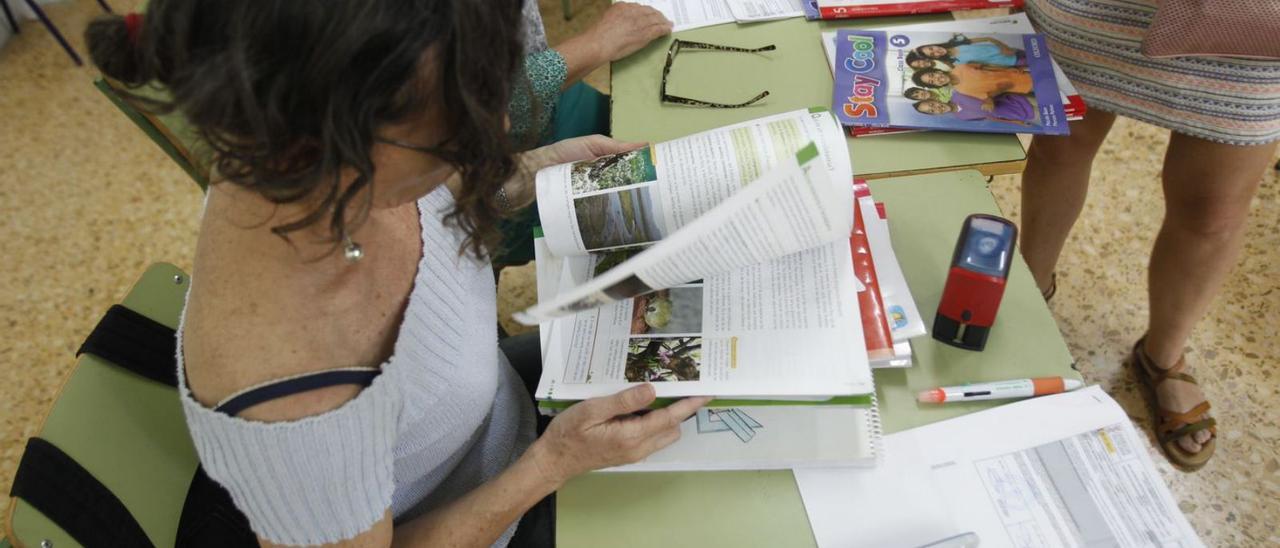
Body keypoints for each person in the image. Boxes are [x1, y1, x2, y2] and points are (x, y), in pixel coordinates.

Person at [85, 2, 705, 547]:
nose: (503, 128)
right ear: (337, 137)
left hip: (506, 424)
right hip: (504, 503)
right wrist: (551, 465)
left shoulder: (323, 162)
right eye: (459, 120)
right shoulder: (292, 387)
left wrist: (542, 167)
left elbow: (438, 200)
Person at [1024, 0, 1280, 470]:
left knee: (1214, 211)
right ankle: (1029, 296)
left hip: (1255, 27)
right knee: (1059, 148)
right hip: (1104, 11)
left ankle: (1164, 355)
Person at [913, 65, 1033, 99]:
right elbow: (987, 95)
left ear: (937, 71)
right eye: (932, 82)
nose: (937, 79)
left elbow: (986, 67)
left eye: (932, 75)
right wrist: (1002, 89)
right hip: (1021, 88)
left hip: (1020, 73)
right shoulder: (961, 91)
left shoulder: (960, 67)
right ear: (936, 86)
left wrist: (1010, 68)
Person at [912, 94, 1033, 126]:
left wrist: (990, 99)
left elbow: (990, 90)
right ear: (936, 115)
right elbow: (990, 117)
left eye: (932, 104)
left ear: (936, 100)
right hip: (1022, 116)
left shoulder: (959, 93)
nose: (936, 108)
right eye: (932, 111)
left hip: (1021, 101)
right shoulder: (962, 117)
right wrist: (1015, 122)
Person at [913, 34, 1025, 67]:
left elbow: (988, 38)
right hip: (1009, 62)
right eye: (933, 54)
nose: (937, 51)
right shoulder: (956, 62)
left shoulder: (956, 41)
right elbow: (985, 66)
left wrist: (1004, 47)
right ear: (935, 58)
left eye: (932, 48)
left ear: (933, 44)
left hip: (1011, 50)